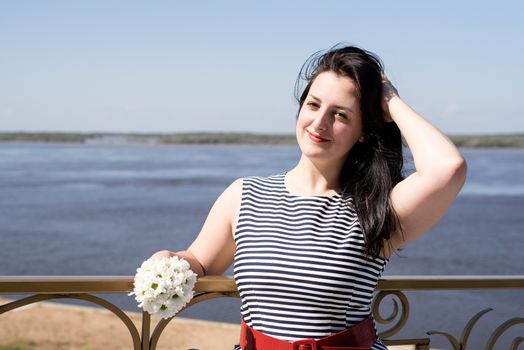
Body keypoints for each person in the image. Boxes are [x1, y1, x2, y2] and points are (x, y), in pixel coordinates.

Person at [150, 44, 467, 349]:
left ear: (364, 132)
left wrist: (390, 100)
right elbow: (202, 263)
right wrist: (169, 262)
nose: (319, 123)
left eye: (340, 115)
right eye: (313, 105)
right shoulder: (244, 195)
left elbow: (447, 168)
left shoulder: (376, 207)